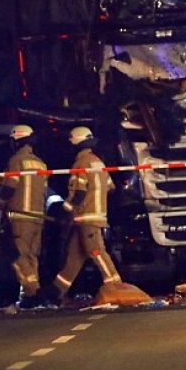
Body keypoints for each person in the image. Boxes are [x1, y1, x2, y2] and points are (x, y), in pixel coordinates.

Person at [39, 127, 122, 305]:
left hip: (86, 218)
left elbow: (78, 194)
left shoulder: (80, 164)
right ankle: (56, 292)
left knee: (96, 251)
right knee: (74, 257)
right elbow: (111, 187)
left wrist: (64, 210)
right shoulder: (98, 162)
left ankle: (117, 287)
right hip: (93, 216)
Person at [0, 125, 49, 309]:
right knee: (31, 257)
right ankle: (31, 293)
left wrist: (0, 201)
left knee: (17, 256)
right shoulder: (40, 163)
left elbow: (10, 187)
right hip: (38, 217)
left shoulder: (16, 161)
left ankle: (33, 290)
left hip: (20, 217)